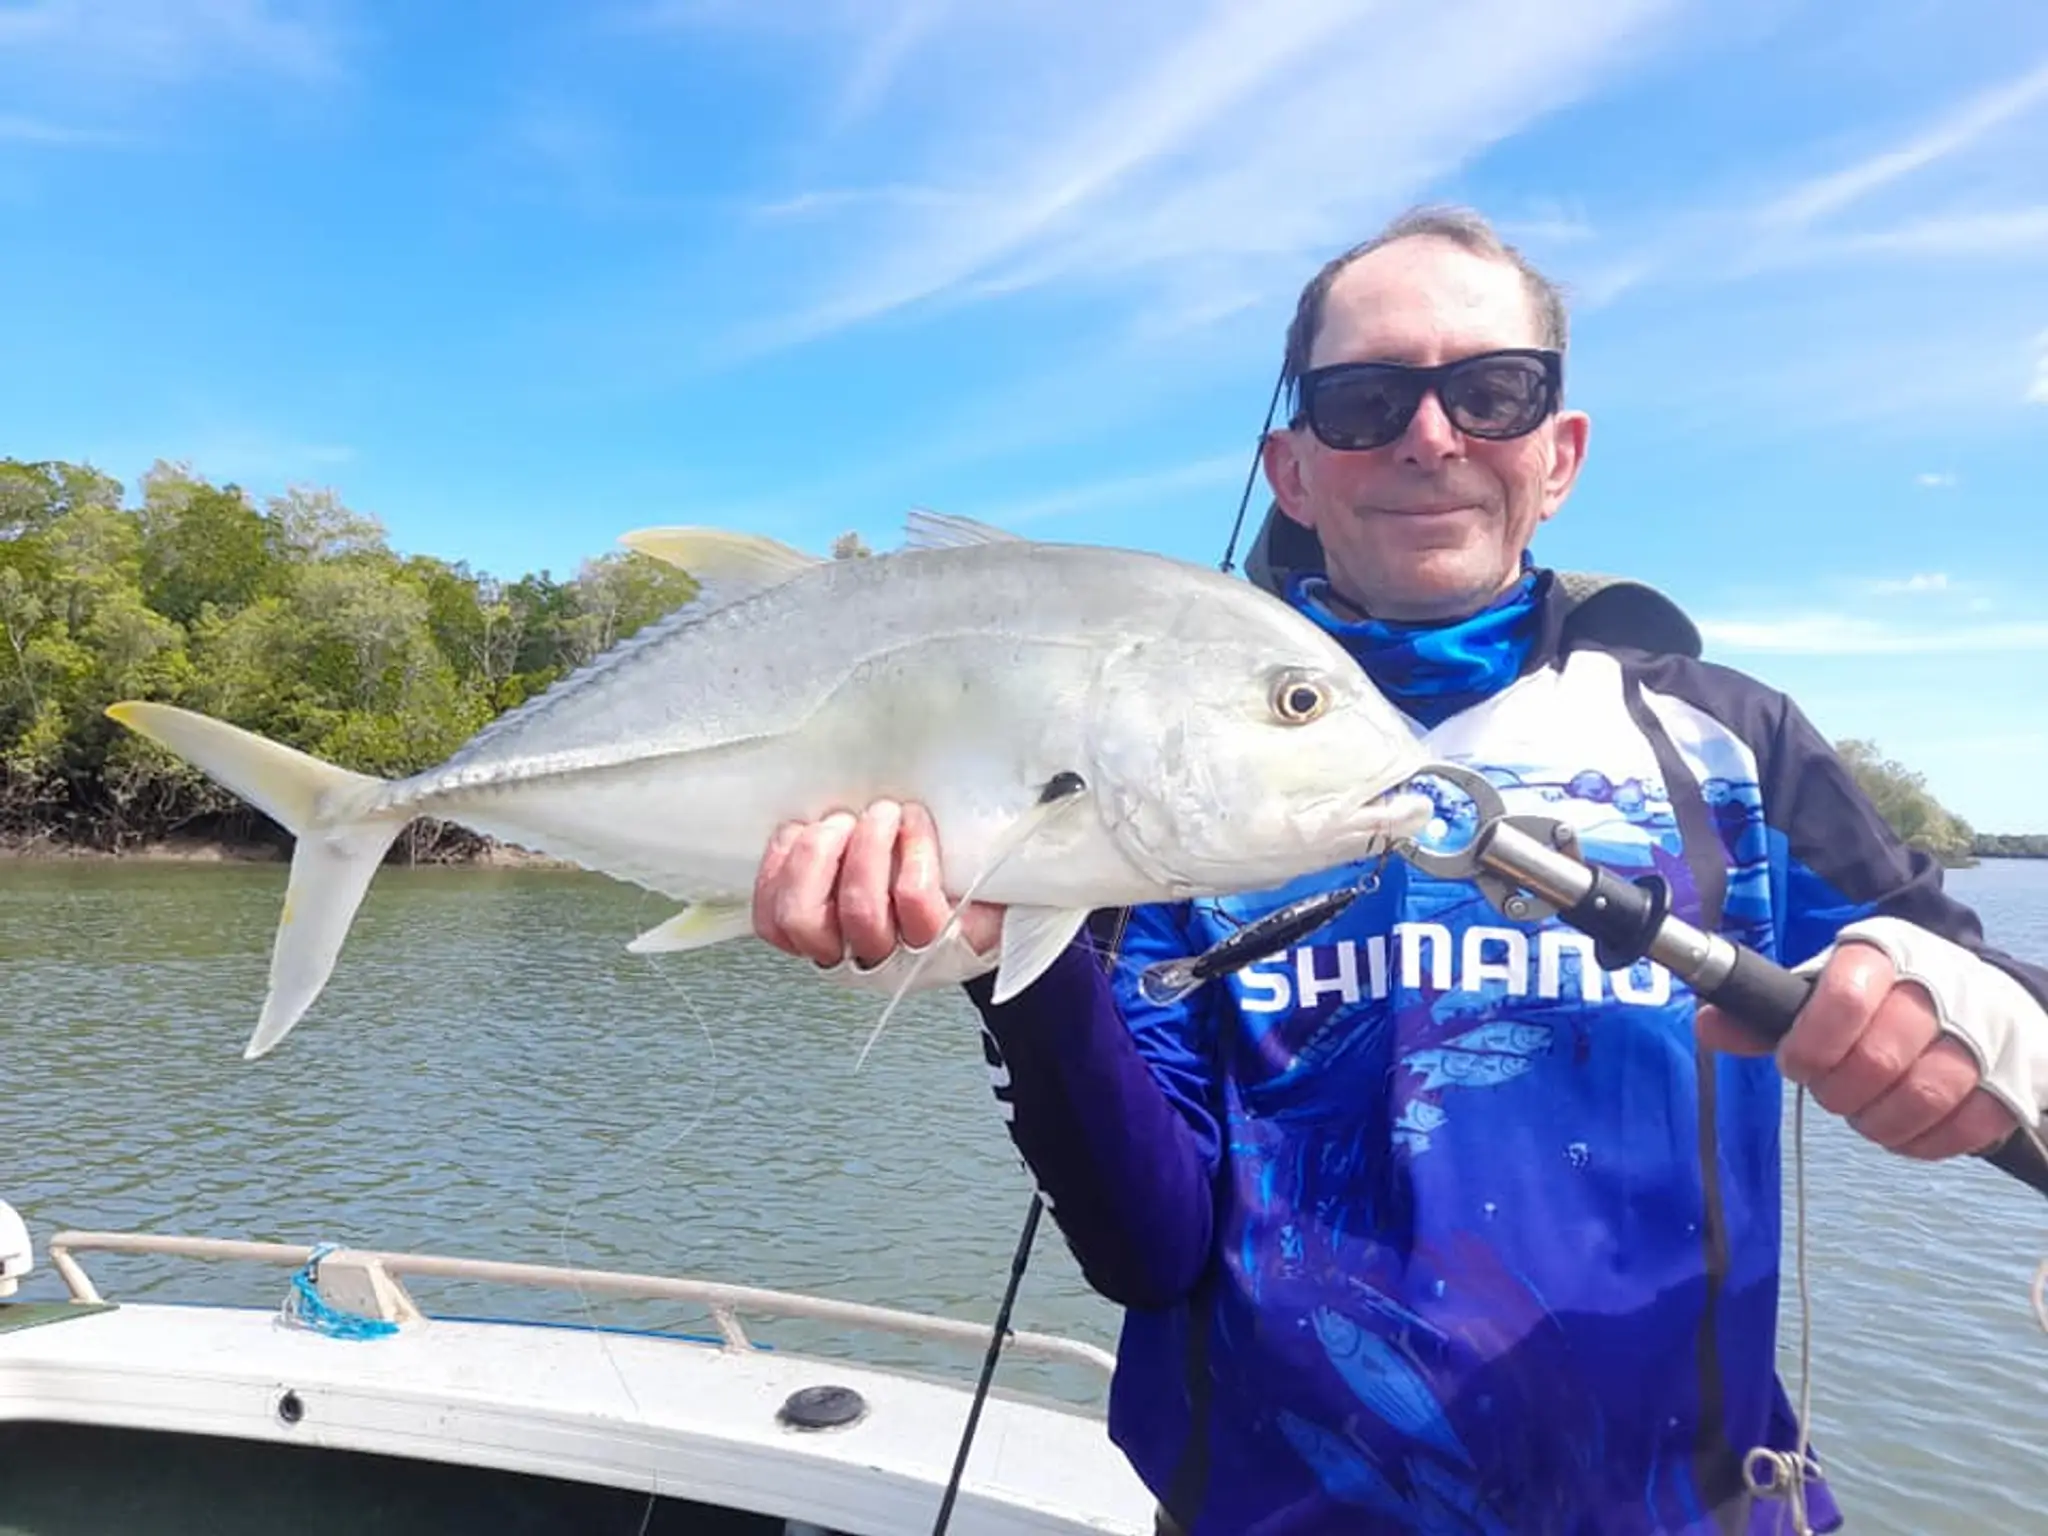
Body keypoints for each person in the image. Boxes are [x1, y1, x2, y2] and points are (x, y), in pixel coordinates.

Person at [746, 205, 2048, 1534]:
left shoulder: (1729, 746)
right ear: (1292, 469)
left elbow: (2011, 1011)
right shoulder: (1149, 760)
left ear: (1561, 452)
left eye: (1493, 391)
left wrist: (1956, 1012)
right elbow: (1147, 1246)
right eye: (1365, 400)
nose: (1432, 437)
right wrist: (1002, 966)